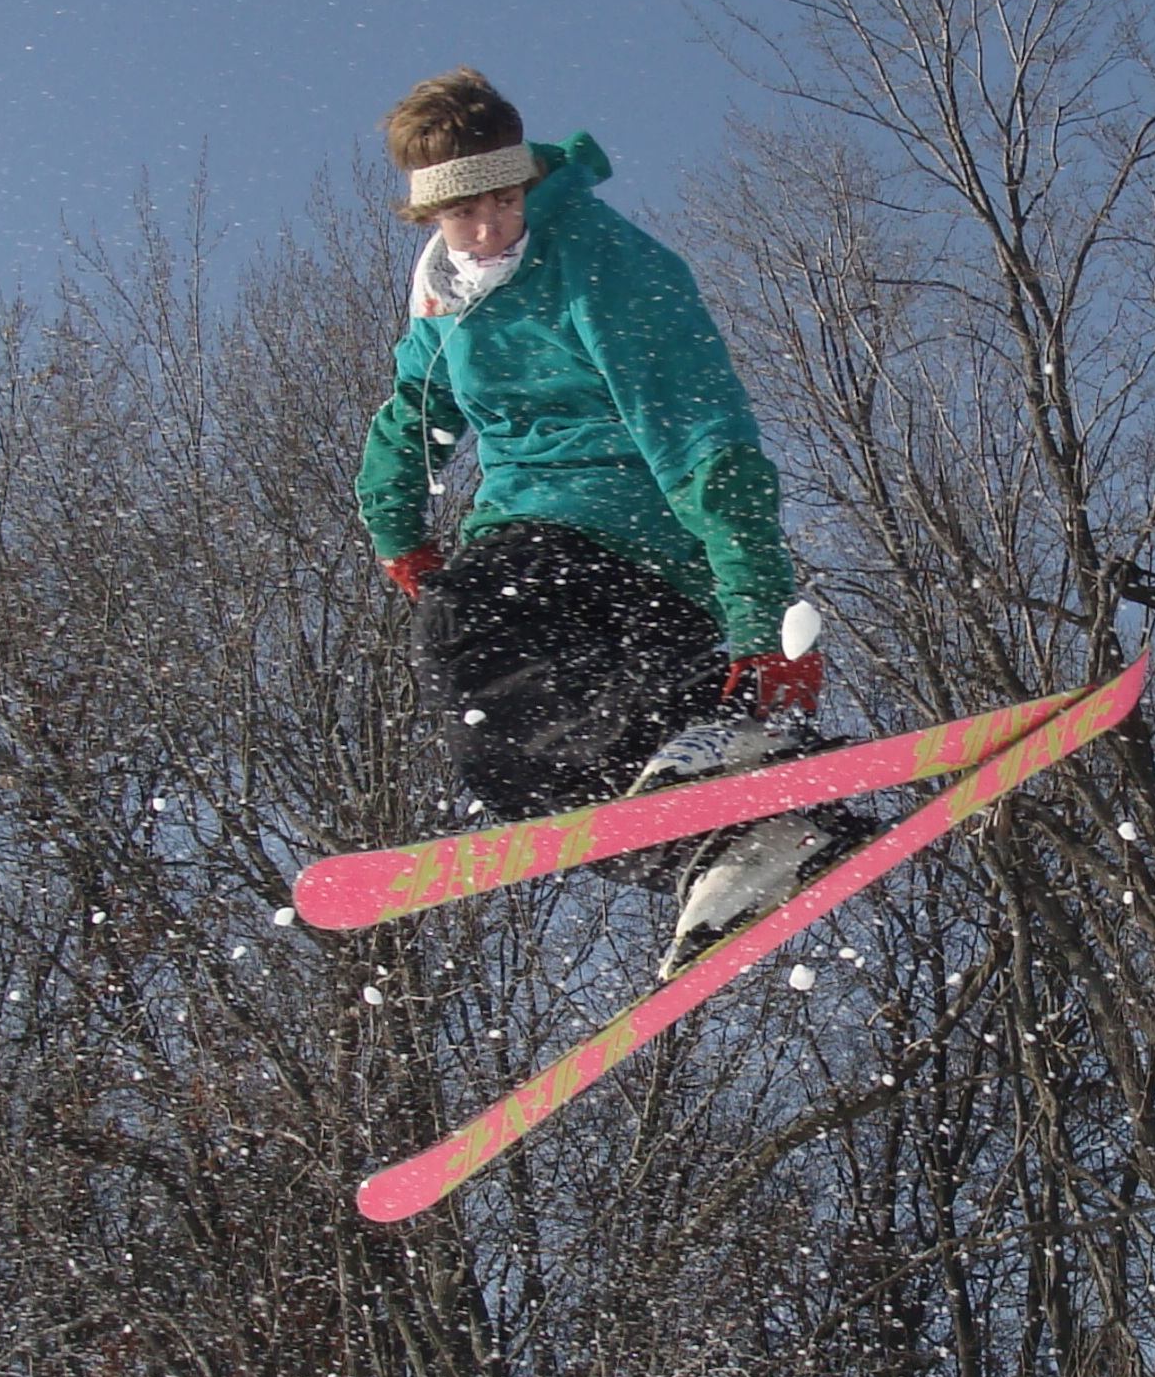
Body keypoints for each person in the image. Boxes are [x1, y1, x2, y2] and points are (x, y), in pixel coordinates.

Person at [356, 67, 851, 968]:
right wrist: (398, 528)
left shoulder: (605, 265)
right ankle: (735, 841)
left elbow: (708, 439)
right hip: (534, 530)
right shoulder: (446, 295)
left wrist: (759, 619)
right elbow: (414, 411)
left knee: (476, 624)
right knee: (503, 759)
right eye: (462, 215)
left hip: (641, 534)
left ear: (527, 181)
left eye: (505, 201)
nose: (488, 229)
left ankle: (723, 740)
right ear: (428, 217)